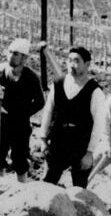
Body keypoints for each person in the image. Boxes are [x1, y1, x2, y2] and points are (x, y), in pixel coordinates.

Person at [39, 45, 106, 188]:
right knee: (47, 184)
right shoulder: (58, 84)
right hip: (58, 142)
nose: (71, 64)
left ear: (87, 64)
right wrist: (43, 139)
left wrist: (89, 153)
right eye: (69, 60)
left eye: (76, 61)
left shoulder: (95, 91)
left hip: (80, 146)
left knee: (79, 188)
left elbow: (98, 125)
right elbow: (48, 111)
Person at [0, 38, 44, 182]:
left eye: (16, 54)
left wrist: (23, 113)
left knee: (20, 159)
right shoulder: (0, 71)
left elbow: (40, 102)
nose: (11, 56)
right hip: (2, 120)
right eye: (10, 52)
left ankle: (21, 188)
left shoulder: (31, 77)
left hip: (20, 123)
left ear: (24, 58)